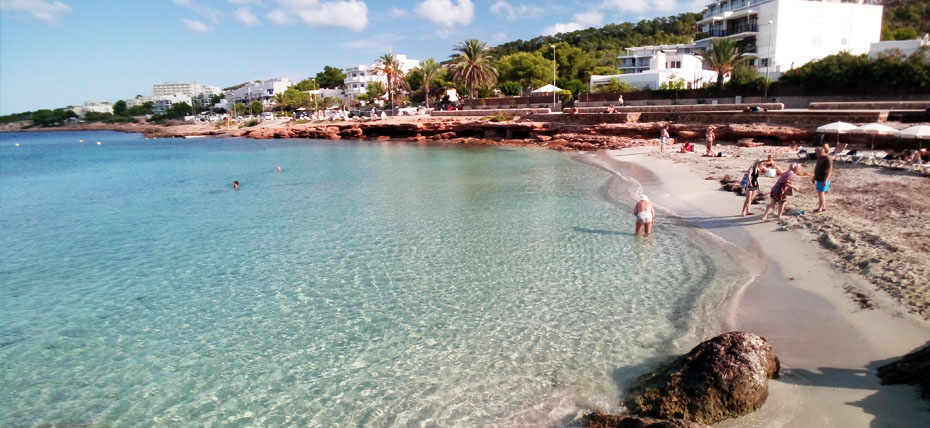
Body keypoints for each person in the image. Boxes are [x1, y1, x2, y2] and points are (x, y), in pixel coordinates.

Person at [812, 146, 833, 213]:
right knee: (820, 193)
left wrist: (825, 180)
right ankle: (823, 207)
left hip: (823, 178)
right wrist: (814, 176)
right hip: (819, 177)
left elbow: (829, 171)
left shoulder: (828, 159)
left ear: (822, 152)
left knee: (821, 193)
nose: (816, 155)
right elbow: (817, 167)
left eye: (817, 153)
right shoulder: (819, 158)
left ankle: (820, 208)